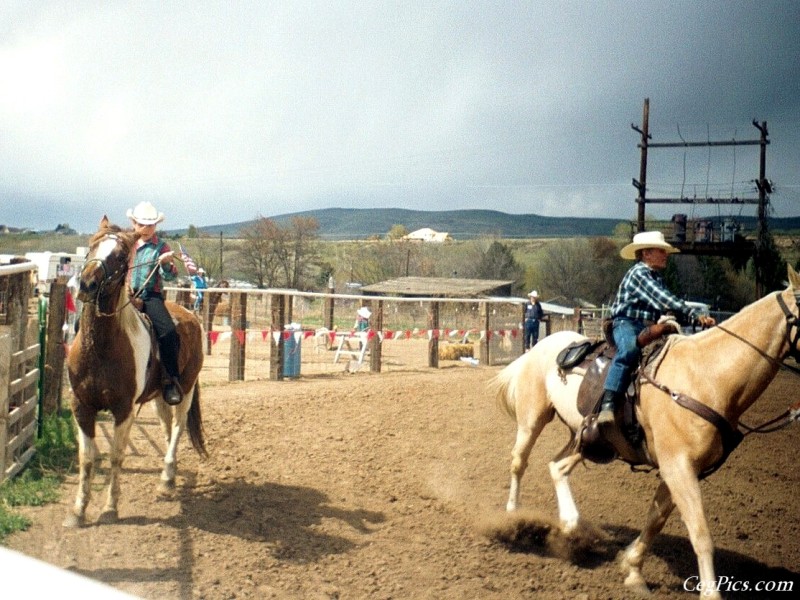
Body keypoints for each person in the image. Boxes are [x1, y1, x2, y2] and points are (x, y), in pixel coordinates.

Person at [598, 231, 716, 428]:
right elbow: (665, 298)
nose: (666, 254)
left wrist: (693, 318)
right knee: (628, 350)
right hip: (625, 323)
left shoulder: (655, 277)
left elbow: (667, 306)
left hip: (646, 325)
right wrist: (694, 314)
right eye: (661, 250)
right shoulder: (639, 273)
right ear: (646, 254)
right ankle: (608, 404)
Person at [127, 201, 183, 405]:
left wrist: (167, 264)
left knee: (168, 332)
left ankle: (170, 380)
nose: (146, 229)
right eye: (141, 224)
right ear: (133, 223)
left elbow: (170, 277)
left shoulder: (162, 247)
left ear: (156, 226)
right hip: (123, 296)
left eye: (150, 225)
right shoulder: (125, 244)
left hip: (150, 296)